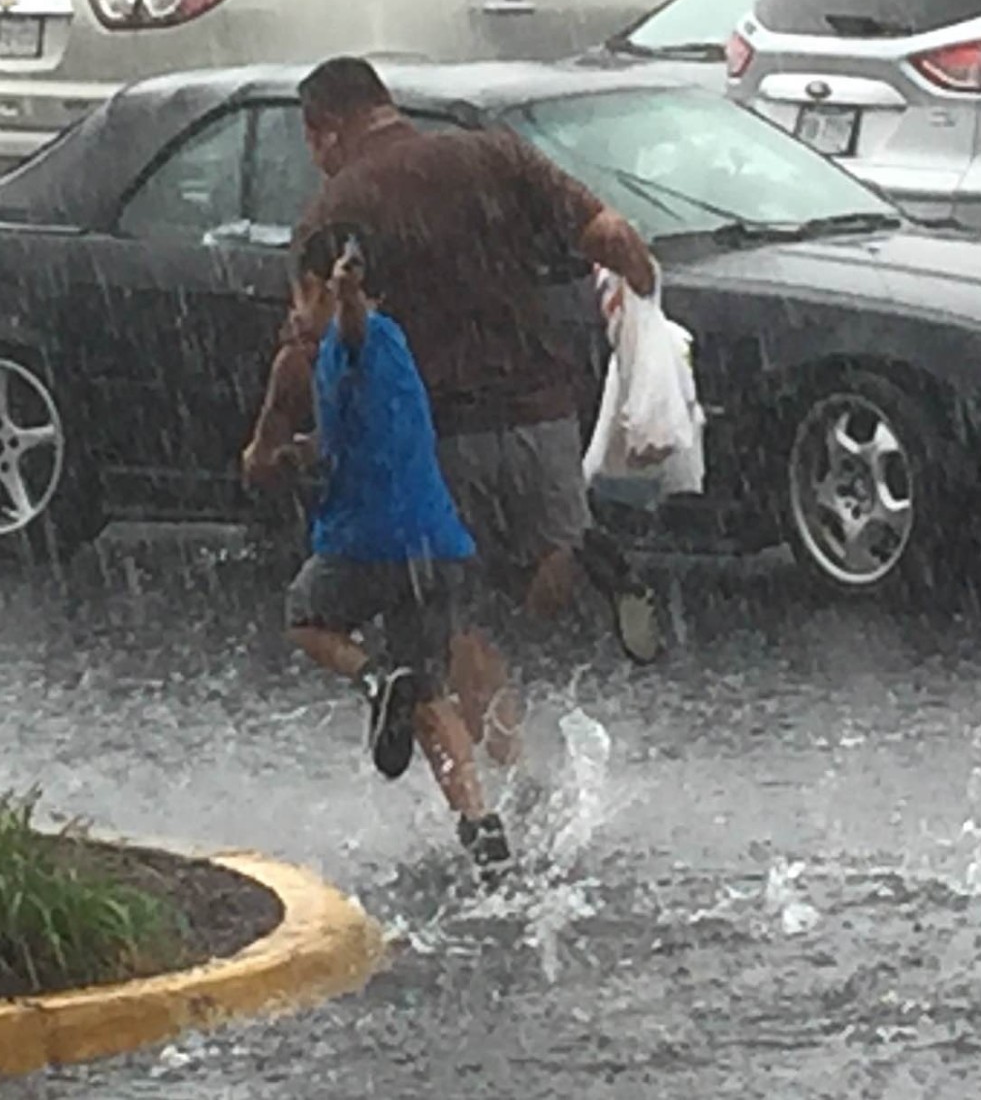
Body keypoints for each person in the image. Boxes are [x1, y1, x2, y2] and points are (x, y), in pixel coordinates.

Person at [289, 56, 665, 767]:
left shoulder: (337, 209)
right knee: (544, 581)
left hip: (438, 436)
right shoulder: (490, 152)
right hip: (542, 410)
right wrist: (645, 292)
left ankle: (505, 771)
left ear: (324, 131)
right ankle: (587, 555)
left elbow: (314, 342)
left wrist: (294, 440)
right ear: (387, 102)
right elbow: (609, 234)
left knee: (457, 616)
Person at [244, 230, 513, 885]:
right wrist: (308, 452)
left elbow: (354, 328)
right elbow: (357, 433)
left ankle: (371, 679)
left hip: (369, 543)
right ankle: (480, 824)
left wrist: (346, 295)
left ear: (318, 291)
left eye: (298, 295)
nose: (292, 311)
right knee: (428, 693)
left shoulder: (357, 339)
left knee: (306, 616)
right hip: (433, 543)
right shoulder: (374, 359)